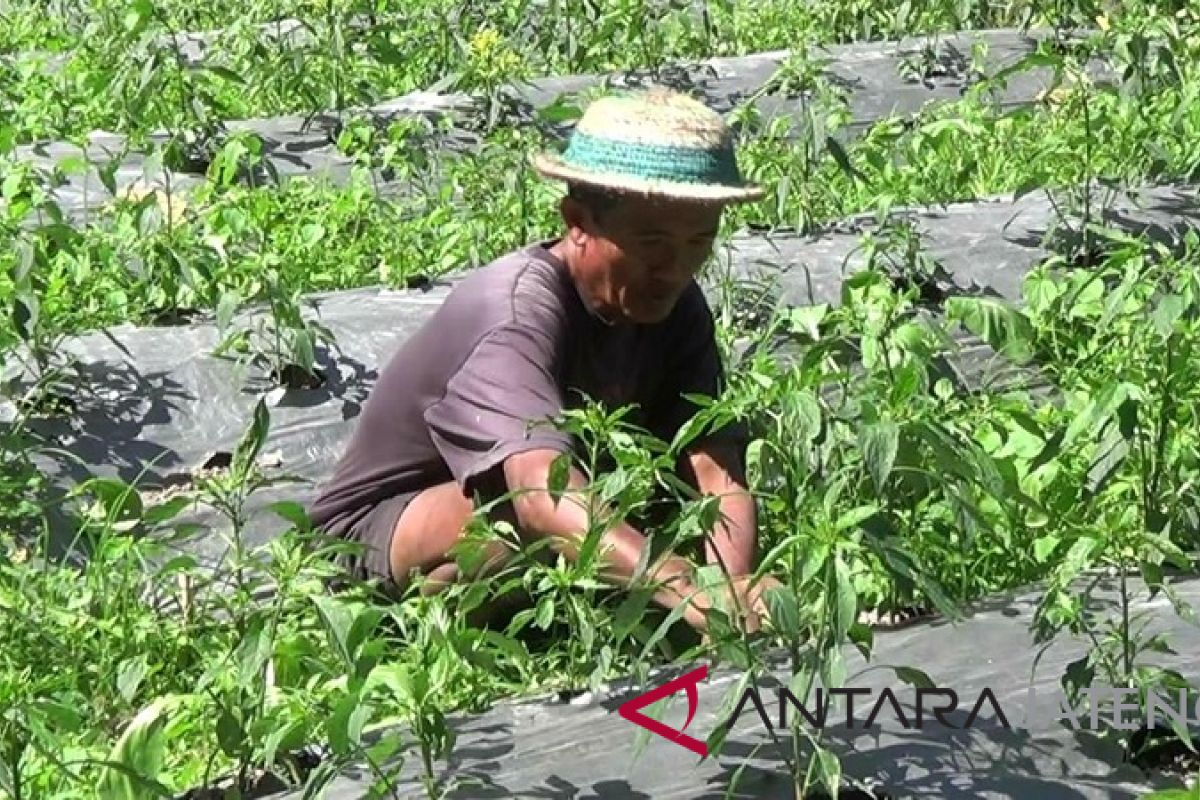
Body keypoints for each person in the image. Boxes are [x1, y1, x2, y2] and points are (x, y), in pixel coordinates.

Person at [308, 88, 777, 634]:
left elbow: (715, 469)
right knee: (525, 522)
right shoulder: (516, 311)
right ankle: (419, 635)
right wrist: (688, 592)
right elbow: (539, 494)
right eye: (651, 243)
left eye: (700, 242)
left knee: (625, 514)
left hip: (556, 503)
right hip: (377, 539)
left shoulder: (675, 304)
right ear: (577, 221)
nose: (676, 269)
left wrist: (731, 589)